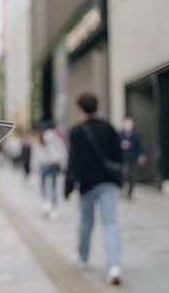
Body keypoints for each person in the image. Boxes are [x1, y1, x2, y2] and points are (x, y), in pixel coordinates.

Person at [64, 92, 123, 285]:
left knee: (85, 222)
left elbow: (72, 162)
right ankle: (113, 266)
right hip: (108, 182)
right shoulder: (109, 129)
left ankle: (82, 257)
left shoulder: (76, 132)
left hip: (87, 184)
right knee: (110, 222)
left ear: (81, 109)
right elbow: (118, 157)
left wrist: (68, 187)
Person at [33, 121, 68, 218]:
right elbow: (63, 151)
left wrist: (34, 167)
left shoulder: (39, 138)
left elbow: (35, 154)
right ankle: (54, 207)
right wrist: (64, 165)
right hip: (54, 164)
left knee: (43, 186)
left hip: (43, 164)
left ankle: (45, 204)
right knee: (54, 186)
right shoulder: (56, 138)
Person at [118, 114, 146, 199]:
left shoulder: (136, 134)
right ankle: (122, 188)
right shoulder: (120, 134)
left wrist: (141, 155)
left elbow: (140, 145)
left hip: (132, 157)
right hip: (123, 157)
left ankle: (130, 192)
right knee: (123, 173)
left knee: (132, 175)